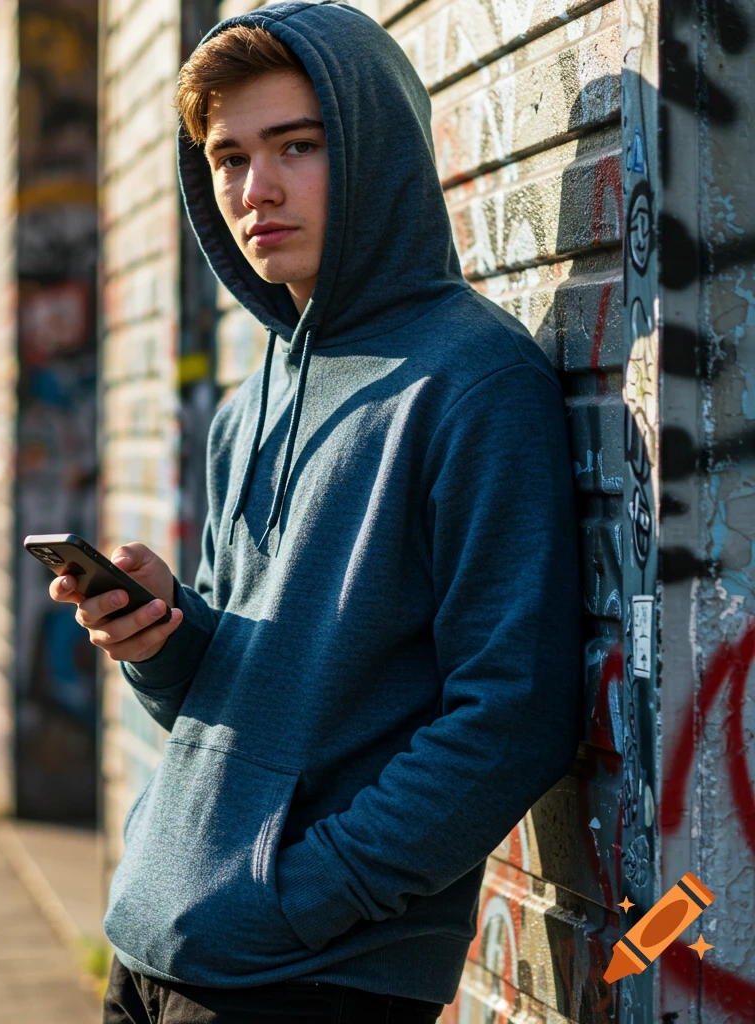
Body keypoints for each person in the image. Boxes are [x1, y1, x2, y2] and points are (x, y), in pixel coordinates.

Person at [50, 2, 582, 1020]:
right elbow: (247, 688)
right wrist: (163, 638)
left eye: (297, 146)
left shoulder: (474, 383)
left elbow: (512, 713)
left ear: (377, 149)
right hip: (152, 940)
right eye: (229, 158)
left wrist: (299, 898)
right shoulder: (247, 404)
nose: (258, 190)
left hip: (309, 976)